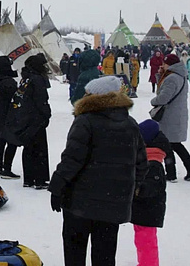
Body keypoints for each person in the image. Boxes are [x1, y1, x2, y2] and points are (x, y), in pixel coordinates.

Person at [49, 76, 147, 266]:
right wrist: (130, 188)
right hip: (113, 204)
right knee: (105, 254)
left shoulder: (85, 121)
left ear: (95, 96)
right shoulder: (130, 124)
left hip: (80, 202)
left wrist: (57, 187)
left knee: (75, 251)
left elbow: (72, 160)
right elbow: (141, 163)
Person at [6, 53, 52, 189]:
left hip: (25, 117)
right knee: (39, 149)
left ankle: (29, 178)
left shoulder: (25, 79)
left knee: (29, 149)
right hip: (36, 118)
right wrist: (46, 114)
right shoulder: (37, 80)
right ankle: (39, 179)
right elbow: (41, 100)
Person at [131, 120, 173, 266]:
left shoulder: (153, 163)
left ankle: (148, 264)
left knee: (146, 241)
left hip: (148, 210)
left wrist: (137, 189)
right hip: (144, 209)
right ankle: (145, 262)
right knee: (142, 239)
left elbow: (153, 187)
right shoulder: (148, 159)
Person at [151, 53, 190, 182]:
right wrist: (160, 75)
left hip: (170, 116)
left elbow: (163, 97)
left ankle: (172, 173)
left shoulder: (171, 78)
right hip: (177, 115)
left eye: (165, 63)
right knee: (175, 144)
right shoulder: (180, 76)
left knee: (168, 144)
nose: (163, 65)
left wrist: (153, 101)